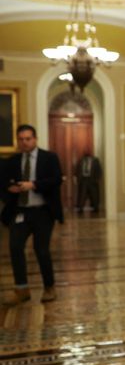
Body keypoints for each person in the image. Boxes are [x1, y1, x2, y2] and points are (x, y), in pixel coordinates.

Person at [1, 124, 64, 304]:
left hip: (43, 212)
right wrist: (9, 188)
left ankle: (49, 287)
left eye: (28, 139)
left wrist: (34, 185)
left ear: (35, 139)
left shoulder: (49, 158)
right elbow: (3, 182)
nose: (25, 142)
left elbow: (56, 179)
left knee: (41, 250)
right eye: (21, 139)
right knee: (15, 247)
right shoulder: (12, 161)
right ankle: (22, 289)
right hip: (20, 212)